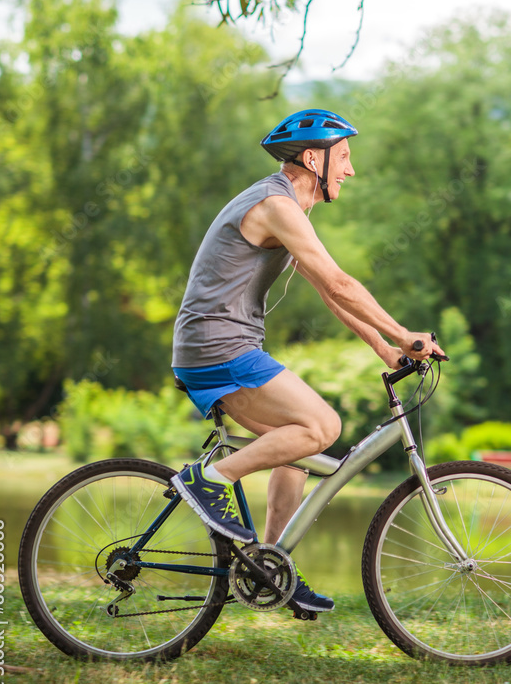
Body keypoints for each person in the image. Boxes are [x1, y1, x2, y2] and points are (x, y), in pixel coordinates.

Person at [170, 108, 446, 612]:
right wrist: (405, 333)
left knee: (295, 445)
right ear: (313, 158)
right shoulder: (276, 204)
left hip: (222, 345)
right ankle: (211, 479)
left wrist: (385, 349)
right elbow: (341, 281)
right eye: (343, 157)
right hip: (218, 347)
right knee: (322, 425)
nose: (350, 169)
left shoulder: (293, 205)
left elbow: (327, 290)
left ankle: (266, 566)